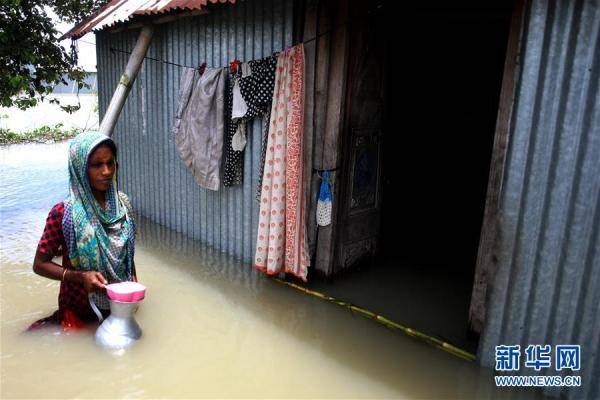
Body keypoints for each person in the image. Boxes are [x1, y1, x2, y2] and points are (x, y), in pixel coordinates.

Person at [30, 131, 136, 329]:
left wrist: (133, 286)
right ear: (80, 168)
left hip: (119, 305)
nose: (106, 171)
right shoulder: (63, 214)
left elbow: (127, 254)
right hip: (79, 308)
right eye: (97, 165)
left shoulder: (123, 205)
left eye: (110, 163)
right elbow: (40, 265)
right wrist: (81, 277)